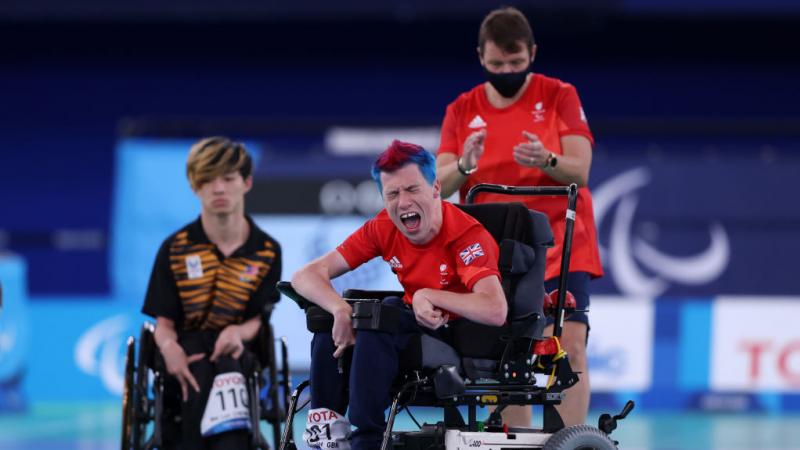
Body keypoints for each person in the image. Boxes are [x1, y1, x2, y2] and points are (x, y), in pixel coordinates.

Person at [435, 7, 603, 428]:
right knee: (507, 357)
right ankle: (516, 439)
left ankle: (567, 442)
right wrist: (466, 165)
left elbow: (580, 170)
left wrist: (546, 159)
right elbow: (441, 178)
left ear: (533, 53)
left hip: (561, 243)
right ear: (480, 57)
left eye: (516, 63)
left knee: (569, 347)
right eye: (496, 64)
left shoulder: (559, 95)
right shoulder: (462, 109)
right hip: (496, 249)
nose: (506, 71)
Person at [292, 140, 507, 450]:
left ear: (435, 188)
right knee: (333, 316)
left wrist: (428, 295)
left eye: (412, 190)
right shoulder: (384, 227)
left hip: (455, 336)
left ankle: (366, 441)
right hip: (408, 327)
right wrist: (340, 310)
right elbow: (306, 276)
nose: (403, 202)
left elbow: (495, 308)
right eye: (392, 194)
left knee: (384, 313)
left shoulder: (467, 236)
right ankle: (327, 434)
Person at [142, 136, 282, 449]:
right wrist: (170, 351)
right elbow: (163, 324)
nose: (218, 189)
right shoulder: (174, 249)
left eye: (228, 179)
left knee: (230, 365)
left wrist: (237, 332)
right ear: (195, 186)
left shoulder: (267, 250)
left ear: (246, 183)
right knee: (200, 366)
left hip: (239, 349)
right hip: (184, 347)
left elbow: (260, 318)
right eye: (207, 180)